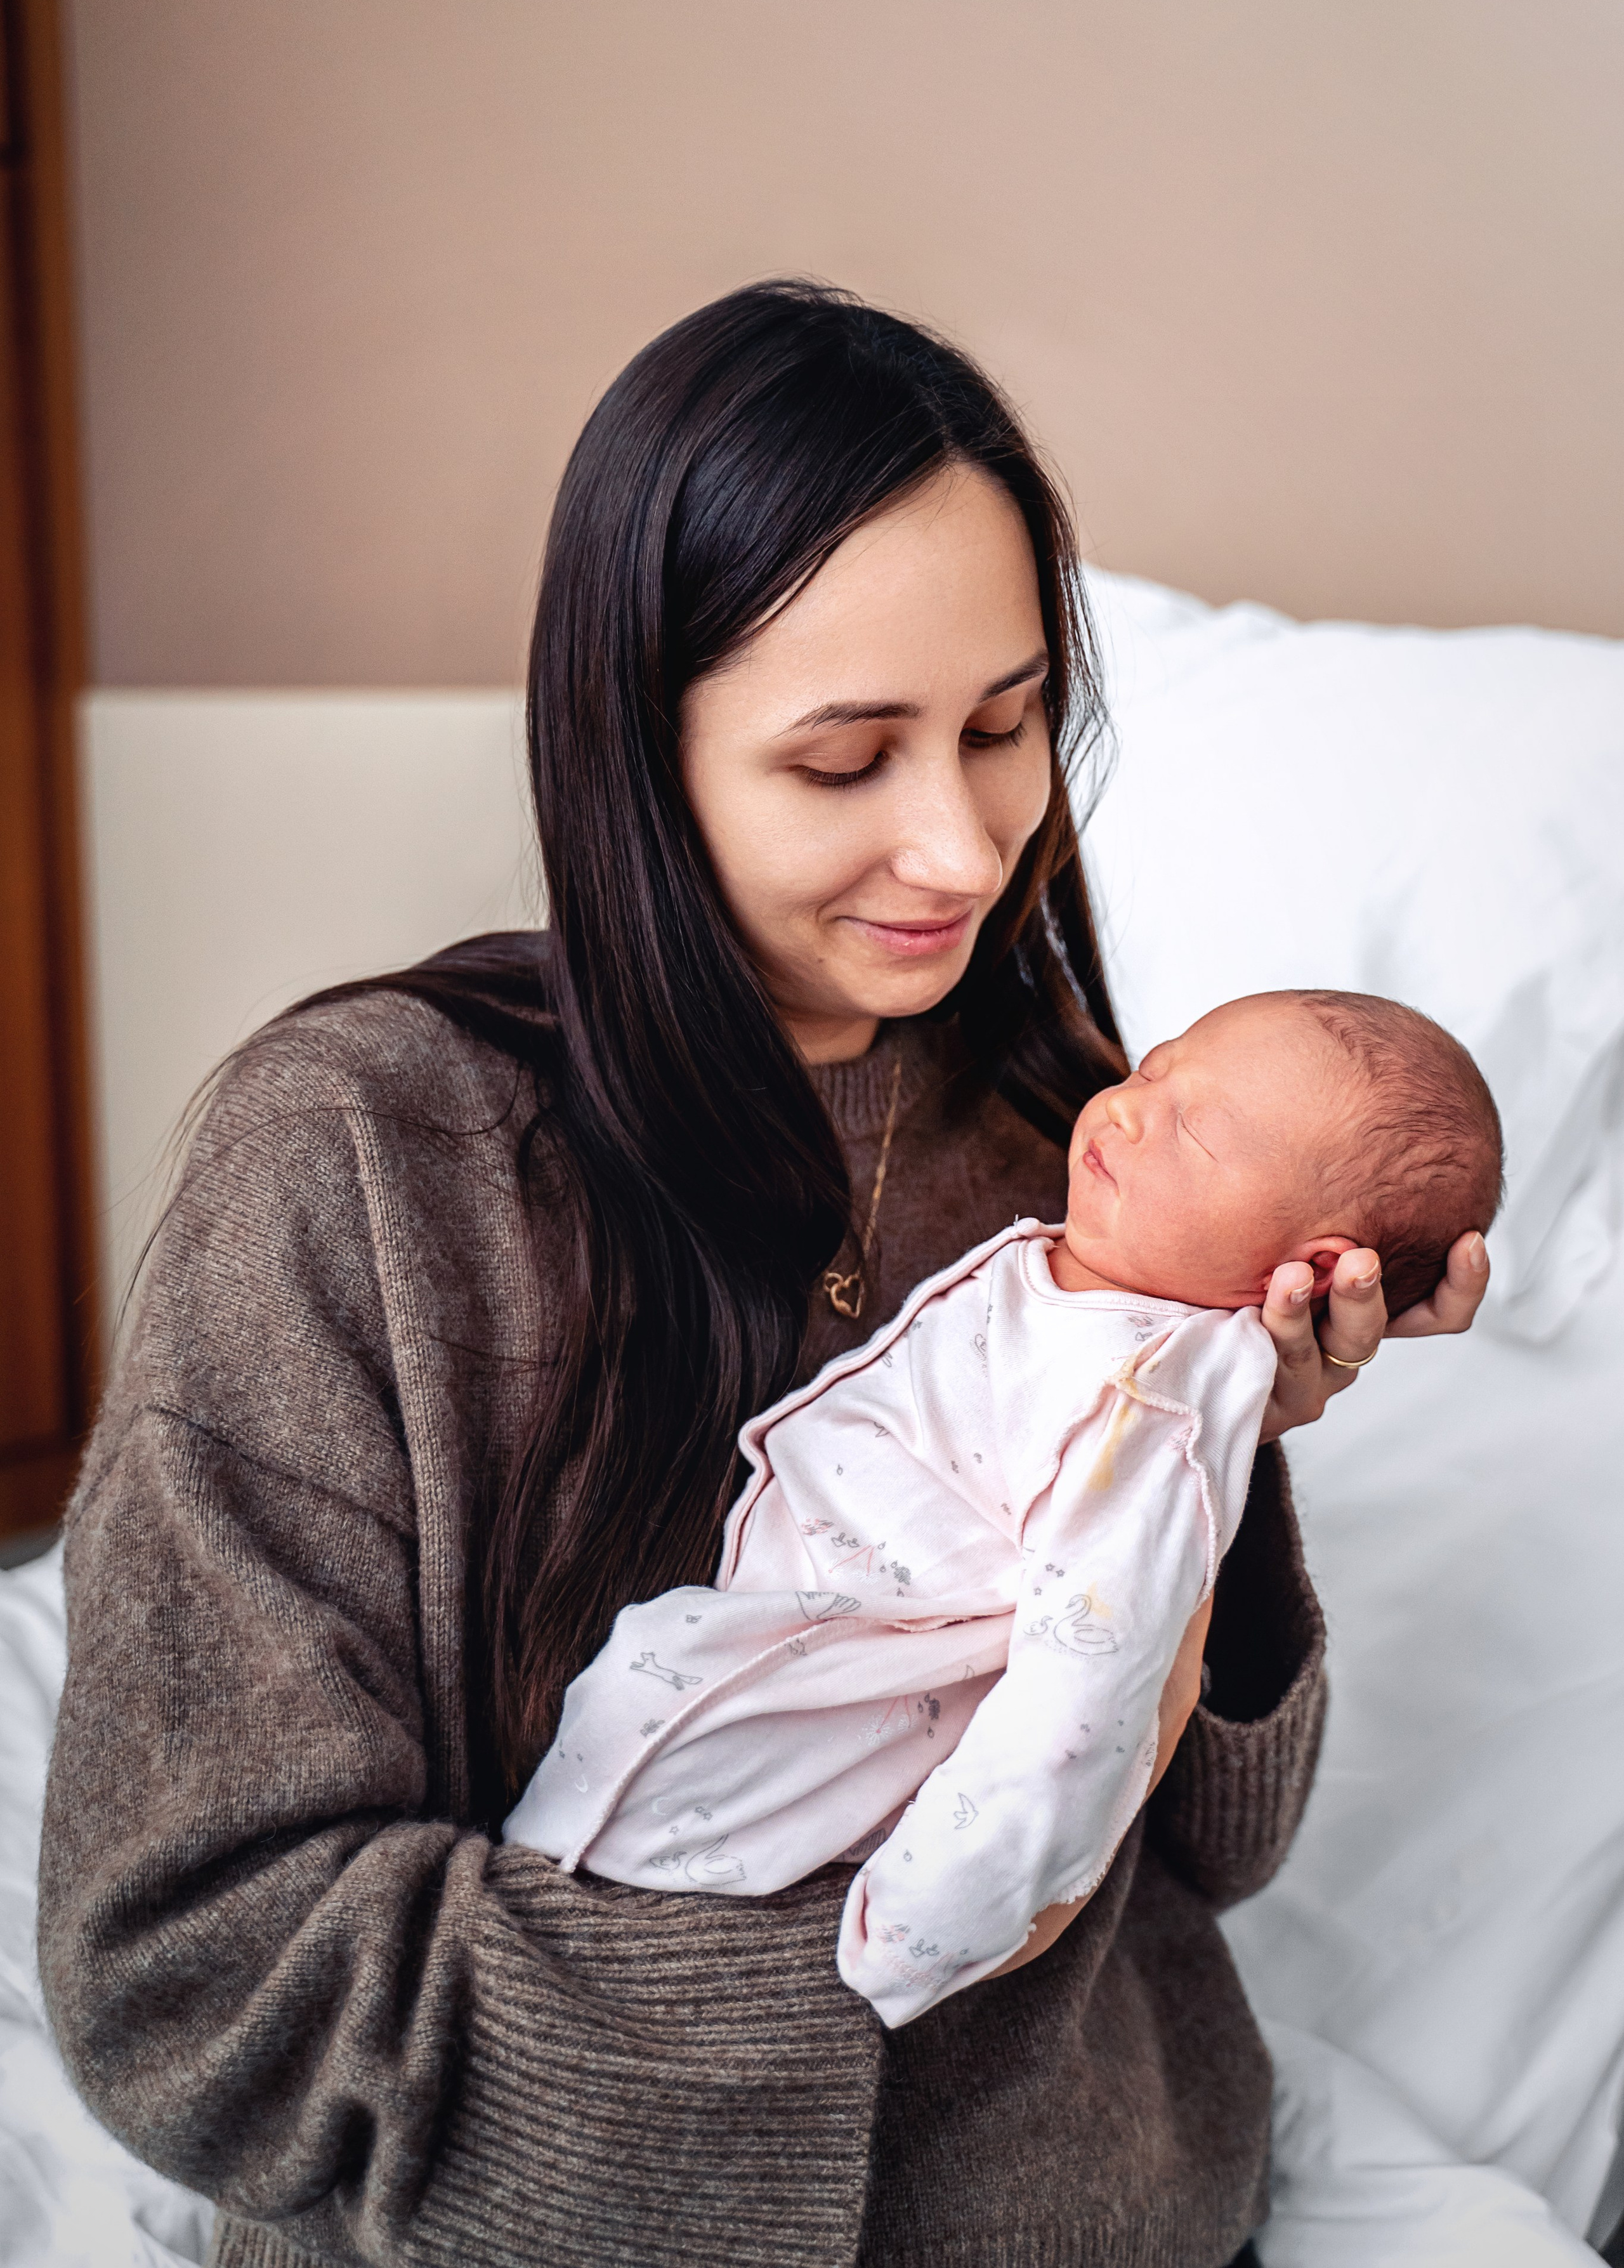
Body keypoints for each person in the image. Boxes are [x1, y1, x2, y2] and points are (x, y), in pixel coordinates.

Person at [37, 284, 1491, 2268]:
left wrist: (1227, 1437)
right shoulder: (360, 1159)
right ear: (640, 752)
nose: (962, 850)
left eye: (1005, 728)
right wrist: (835, 2001)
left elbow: (1212, 1859)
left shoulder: (1082, 1139)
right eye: (844, 760)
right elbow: (196, 1970)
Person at [506, 990, 1503, 2030]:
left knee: (635, 1831)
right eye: (1153, 1068)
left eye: (1196, 1131)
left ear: (1318, 1268)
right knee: (604, 1805)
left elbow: (1080, 1713)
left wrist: (918, 1935)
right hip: (753, 1667)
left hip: (848, 1726)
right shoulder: (1093, 1274)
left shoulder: (1151, 1411)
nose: (1126, 1110)